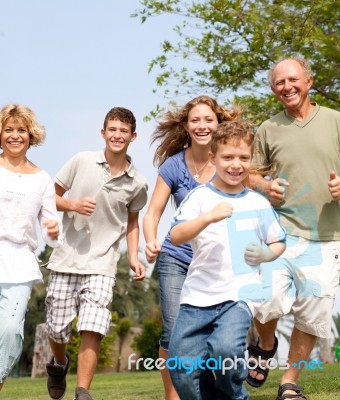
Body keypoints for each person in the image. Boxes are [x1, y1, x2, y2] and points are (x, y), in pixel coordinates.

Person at [167, 120, 286, 399]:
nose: (236, 164)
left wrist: (266, 254)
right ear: (213, 158)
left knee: (225, 352)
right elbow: (176, 235)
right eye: (228, 157)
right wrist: (208, 216)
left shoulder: (258, 203)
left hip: (239, 295)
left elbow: (278, 241)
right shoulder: (199, 197)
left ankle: (236, 395)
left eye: (244, 158)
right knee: (182, 369)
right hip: (197, 297)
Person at [247, 57, 340, 400]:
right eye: (278, 83)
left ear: (309, 81)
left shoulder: (335, 121)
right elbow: (250, 173)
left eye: (292, 80)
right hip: (282, 233)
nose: (286, 87)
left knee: (312, 314)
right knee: (265, 300)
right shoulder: (268, 128)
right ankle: (267, 343)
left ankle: (288, 382)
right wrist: (262, 186)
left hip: (329, 236)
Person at [44, 107, 148, 400]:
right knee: (57, 327)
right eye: (112, 129)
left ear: (133, 136)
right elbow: (49, 197)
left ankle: (82, 391)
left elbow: (132, 224)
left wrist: (133, 258)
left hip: (103, 263)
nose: (117, 135)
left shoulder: (138, 182)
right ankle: (59, 363)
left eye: (123, 131)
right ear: (103, 133)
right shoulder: (81, 160)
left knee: (94, 324)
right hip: (66, 257)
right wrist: (74, 205)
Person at [143, 95, 241, 399]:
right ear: (186, 126)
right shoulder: (174, 165)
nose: (202, 126)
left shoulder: (230, 161)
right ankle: (173, 395)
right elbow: (153, 212)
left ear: (218, 123)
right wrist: (150, 239)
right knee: (173, 332)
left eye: (208, 120)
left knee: (216, 333)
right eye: (195, 120)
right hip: (177, 257)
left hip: (216, 261)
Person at [0, 104, 63, 392]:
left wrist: (52, 229)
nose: (15, 136)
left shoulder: (42, 179)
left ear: (31, 135)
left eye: (21, 130)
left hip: (19, 264)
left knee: (10, 331)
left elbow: (51, 228)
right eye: (8, 129)